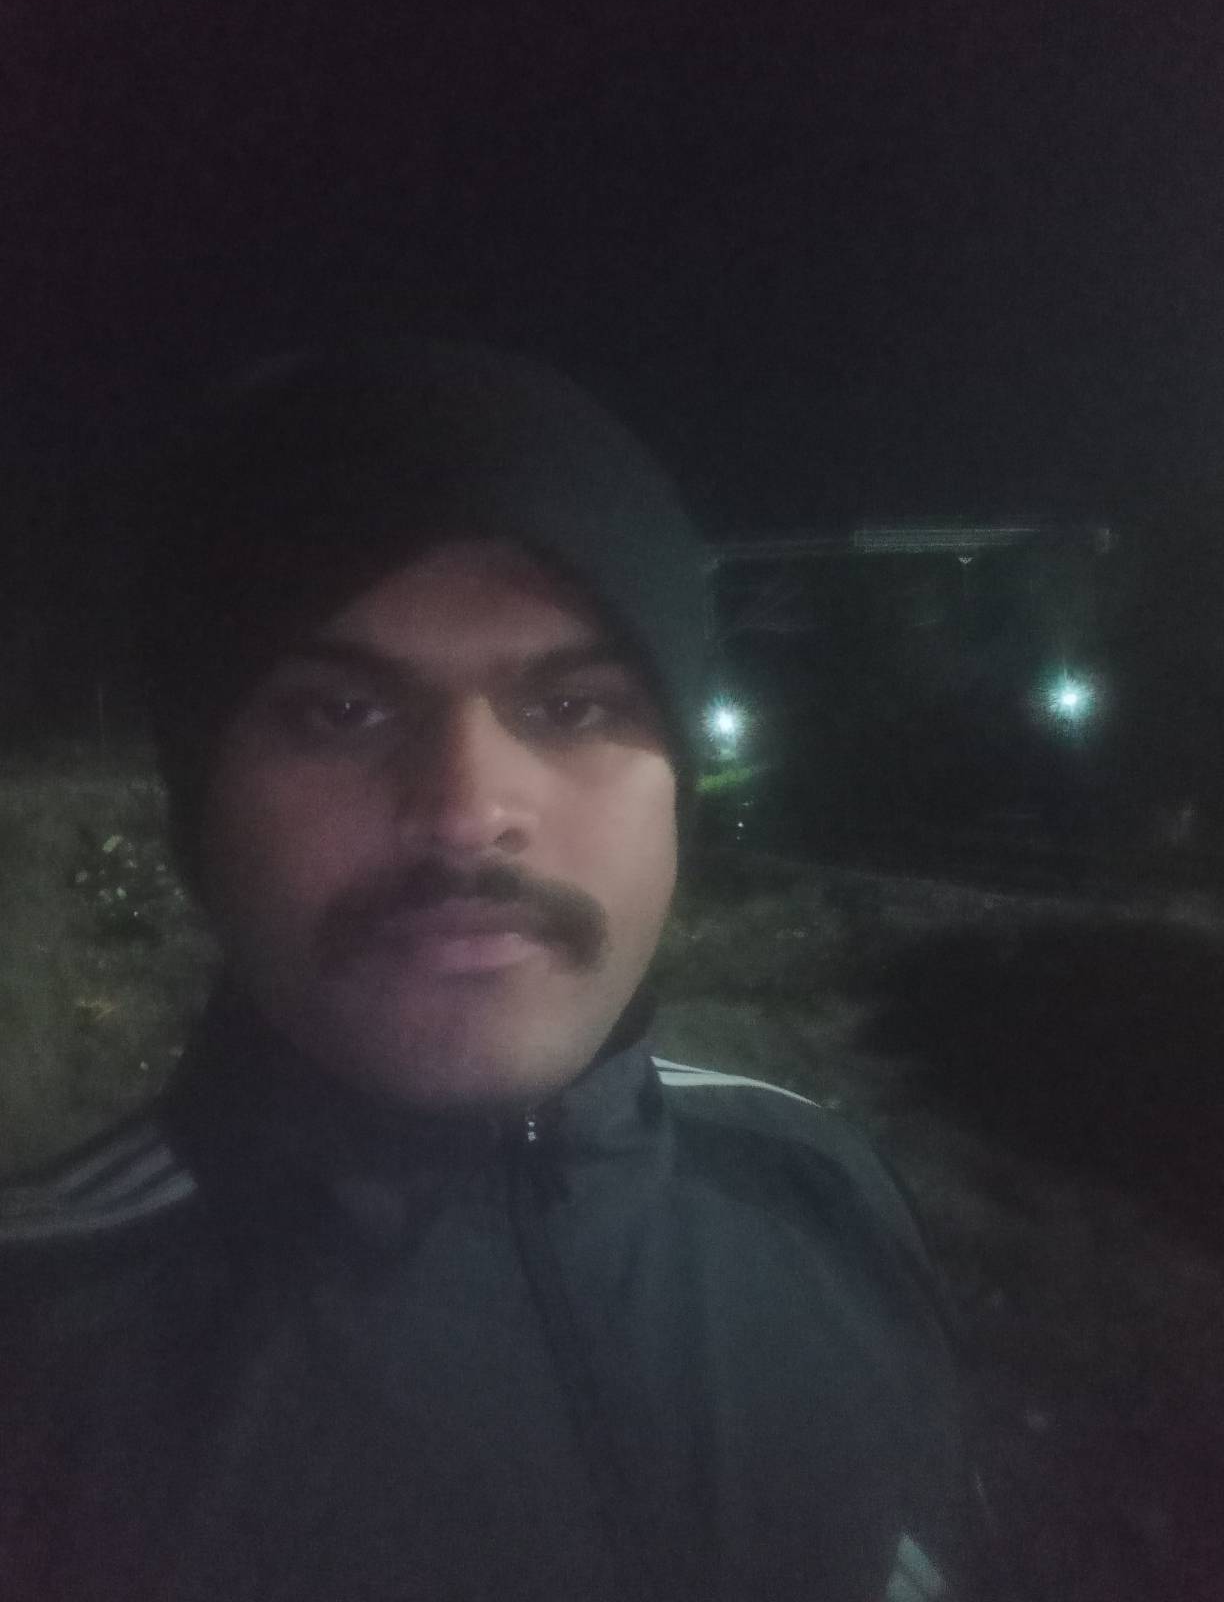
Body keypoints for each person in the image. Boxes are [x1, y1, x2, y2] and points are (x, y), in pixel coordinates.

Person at [0, 337, 975, 1601]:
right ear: (198, 811)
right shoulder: (42, 1345)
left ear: (680, 792)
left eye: (573, 706)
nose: (466, 813)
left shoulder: (820, 1196)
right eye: (339, 712)